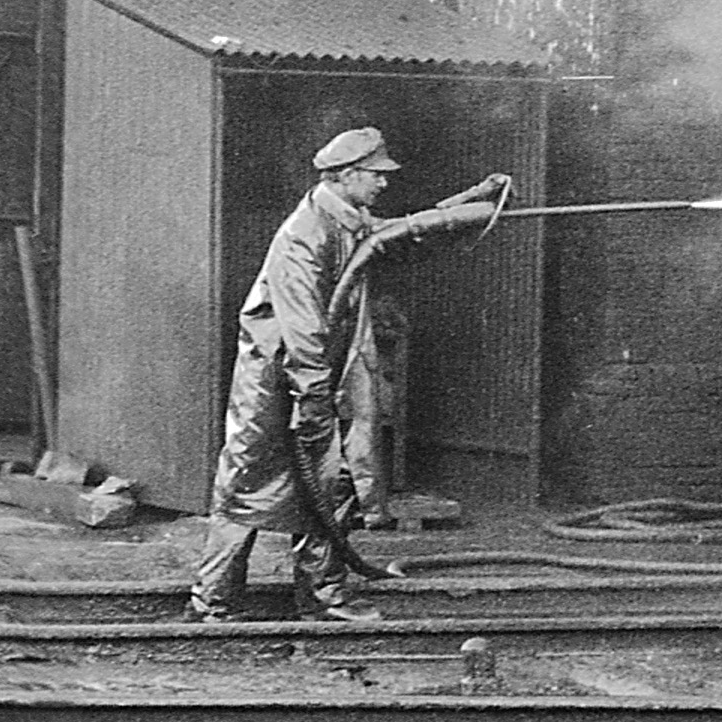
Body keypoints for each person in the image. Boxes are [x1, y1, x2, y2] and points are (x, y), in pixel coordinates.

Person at [190, 127, 512, 621]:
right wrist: (314, 394)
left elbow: (396, 231)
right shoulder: (305, 234)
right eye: (376, 175)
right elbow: (301, 325)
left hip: (319, 375)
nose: (383, 183)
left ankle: (324, 600)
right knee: (245, 489)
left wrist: (469, 203)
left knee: (329, 483)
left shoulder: (346, 218)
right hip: (279, 383)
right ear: (344, 176)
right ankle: (211, 603)